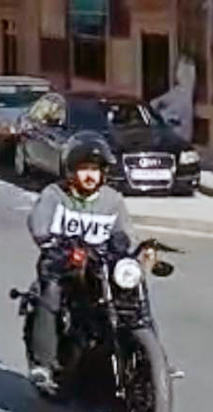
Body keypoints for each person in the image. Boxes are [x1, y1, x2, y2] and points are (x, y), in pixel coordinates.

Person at [26, 131, 136, 392]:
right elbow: (39, 224)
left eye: (95, 170)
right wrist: (51, 242)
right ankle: (43, 364)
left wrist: (132, 252)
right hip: (62, 263)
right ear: (71, 171)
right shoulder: (55, 194)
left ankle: (146, 358)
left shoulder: (112, 201)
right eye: (84, 169)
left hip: (100, 267)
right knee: (50, 293)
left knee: (132, 293)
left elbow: (127, 235)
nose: (90, 175)